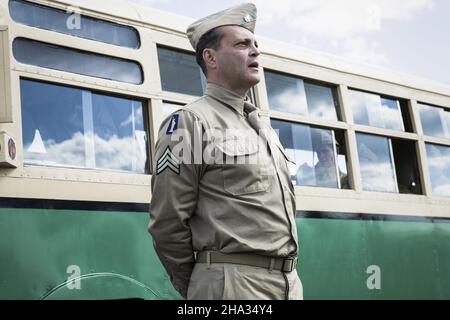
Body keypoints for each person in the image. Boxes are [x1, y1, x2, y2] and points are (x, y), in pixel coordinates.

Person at [148, 3, 303, 300]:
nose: (256, 51)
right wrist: (203, 286)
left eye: (256, 44)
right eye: (243, 44)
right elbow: (167, 223)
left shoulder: (262, 127)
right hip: (231, 287)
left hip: (288, 284)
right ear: (210, 57)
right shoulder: (189, 122)